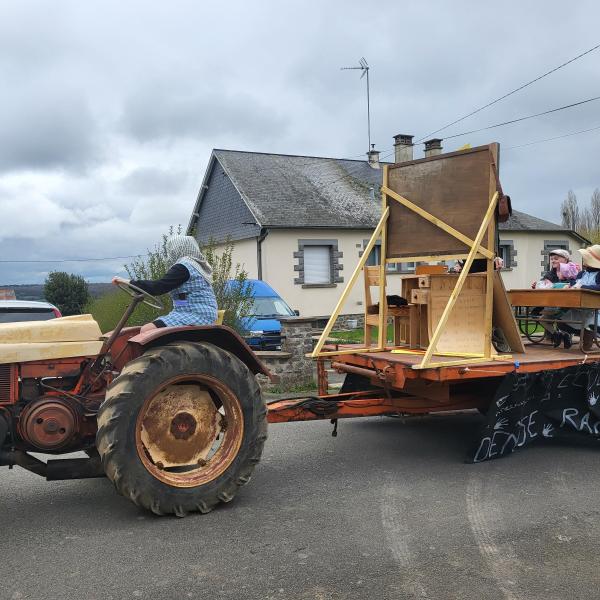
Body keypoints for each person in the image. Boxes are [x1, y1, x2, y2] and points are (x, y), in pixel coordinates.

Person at [112, 235, 218, 333]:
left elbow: (158, 287)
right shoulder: (195, 266)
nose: (169, 254)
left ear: (177, 249)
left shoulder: (184, 266)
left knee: (147, 330)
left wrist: (128, 282)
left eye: (170, 250)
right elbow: (185, 299)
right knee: (150, 327)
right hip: (194, 312)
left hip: (196, 315)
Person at [530, 249, 579, 348]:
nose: (553, 261)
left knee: (561, 319)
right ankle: (558, 334)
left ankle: (566, 334)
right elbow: (543, 284)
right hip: (553, 306)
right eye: (552, 259)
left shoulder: (573, 271)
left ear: (566, 259)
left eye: (556, 259)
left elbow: (576, 285)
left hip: (570, 306)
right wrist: (537, 285)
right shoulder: (550, 274)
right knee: (540, 317)